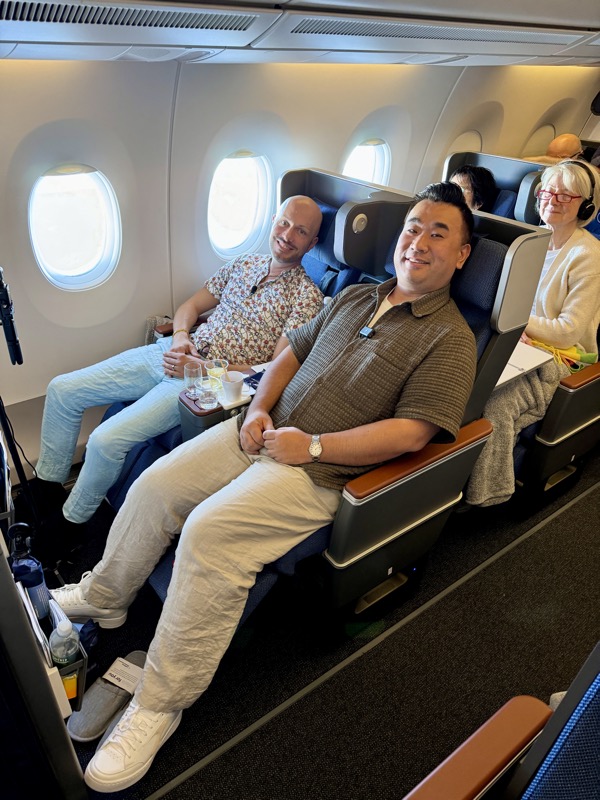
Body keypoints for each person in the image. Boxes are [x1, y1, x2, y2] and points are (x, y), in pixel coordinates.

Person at [50, 182, 477, 793]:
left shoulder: (450, 339)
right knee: (153, 485)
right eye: (413, 227)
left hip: (318, 471)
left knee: (208, 534)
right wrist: (257, 411)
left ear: (461, 256)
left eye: (439, 233)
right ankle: (105, 596)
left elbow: (413, 434)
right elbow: (290, 356)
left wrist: (315, 446)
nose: (420, 241)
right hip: (261, 431)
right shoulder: (355, 295)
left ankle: (161, 703)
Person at [32, 195, 325, 538]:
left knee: (104, 441)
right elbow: (191, 305)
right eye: (285, 223)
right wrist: (181, 336)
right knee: (62, 390)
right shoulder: (243, 263)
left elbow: (273, 367)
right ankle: (45, 496)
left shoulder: (307, 297)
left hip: (203, 384)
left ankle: (69, 525)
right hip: (170, 353)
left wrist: (205, 368)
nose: (288, 235)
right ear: (274, 219)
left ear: (312, 243)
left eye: (301, 231)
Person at [465, 160, 600, 507]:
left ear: (585, 206)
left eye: (565, 196)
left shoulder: (588, 255)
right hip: (519, 340)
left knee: (495, 402)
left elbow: (570, 331)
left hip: (562, 357)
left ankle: (489, 494)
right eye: (546, 192)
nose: (551, 200)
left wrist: (518, 325)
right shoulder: (529, 241)